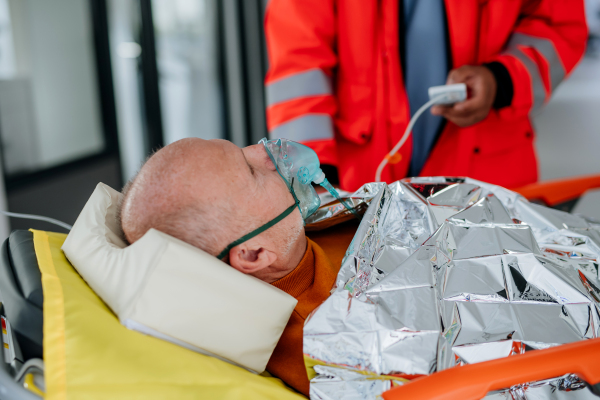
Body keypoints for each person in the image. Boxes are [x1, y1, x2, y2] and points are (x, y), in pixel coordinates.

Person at [264, 0, 588, 191]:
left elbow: (558, 26)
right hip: (354, 185)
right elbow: (300, 65)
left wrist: (500, 80)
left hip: (488, 183)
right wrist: (312, 182)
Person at [119, 138, 355, 397]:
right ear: (253, 255)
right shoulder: (328, 348)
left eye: (242, 148)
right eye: (251, 170)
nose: (264, 149)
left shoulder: (294, 233)